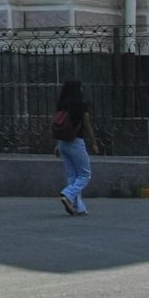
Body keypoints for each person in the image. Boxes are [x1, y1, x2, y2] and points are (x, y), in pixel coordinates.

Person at [53, 80, 98, 216]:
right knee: (85, 174)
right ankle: (68, 194)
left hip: (62, 143)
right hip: (75, 142)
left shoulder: (62, 105)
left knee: (72, 175)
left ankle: (79, 207)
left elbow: (59, 124)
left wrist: (57, 145)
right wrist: (93, 142)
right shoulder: (81, 105)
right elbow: (87, 124)